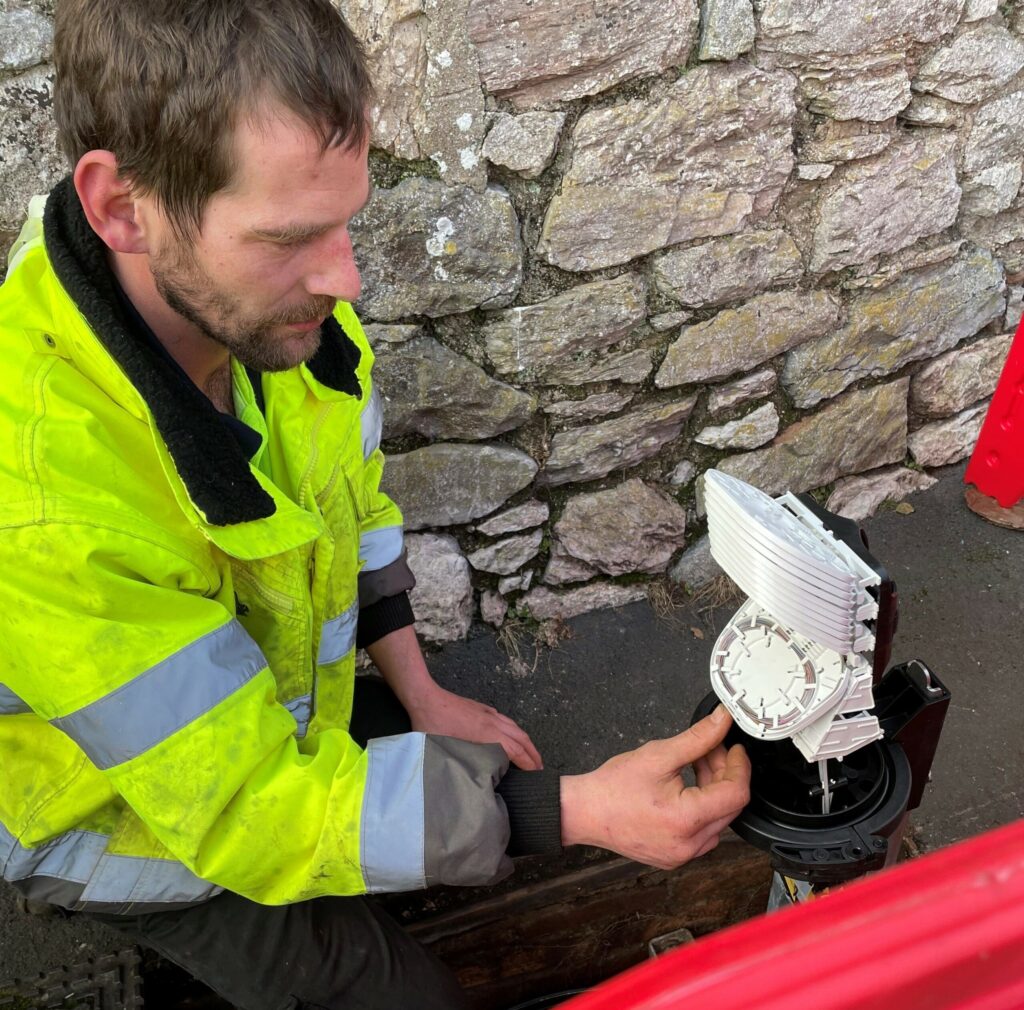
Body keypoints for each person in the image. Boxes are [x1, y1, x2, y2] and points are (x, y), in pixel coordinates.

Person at [0, 1, 751, 1006]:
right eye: (292, 236)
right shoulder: (45, 507)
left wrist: (422, 689)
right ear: (121, 207)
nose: (345, 275)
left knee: (467, 792)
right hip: (128, 823)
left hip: (266, 715)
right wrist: (568, 812)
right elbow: (249, 811)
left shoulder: (258, 307)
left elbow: (347, 499)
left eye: (345, 216)